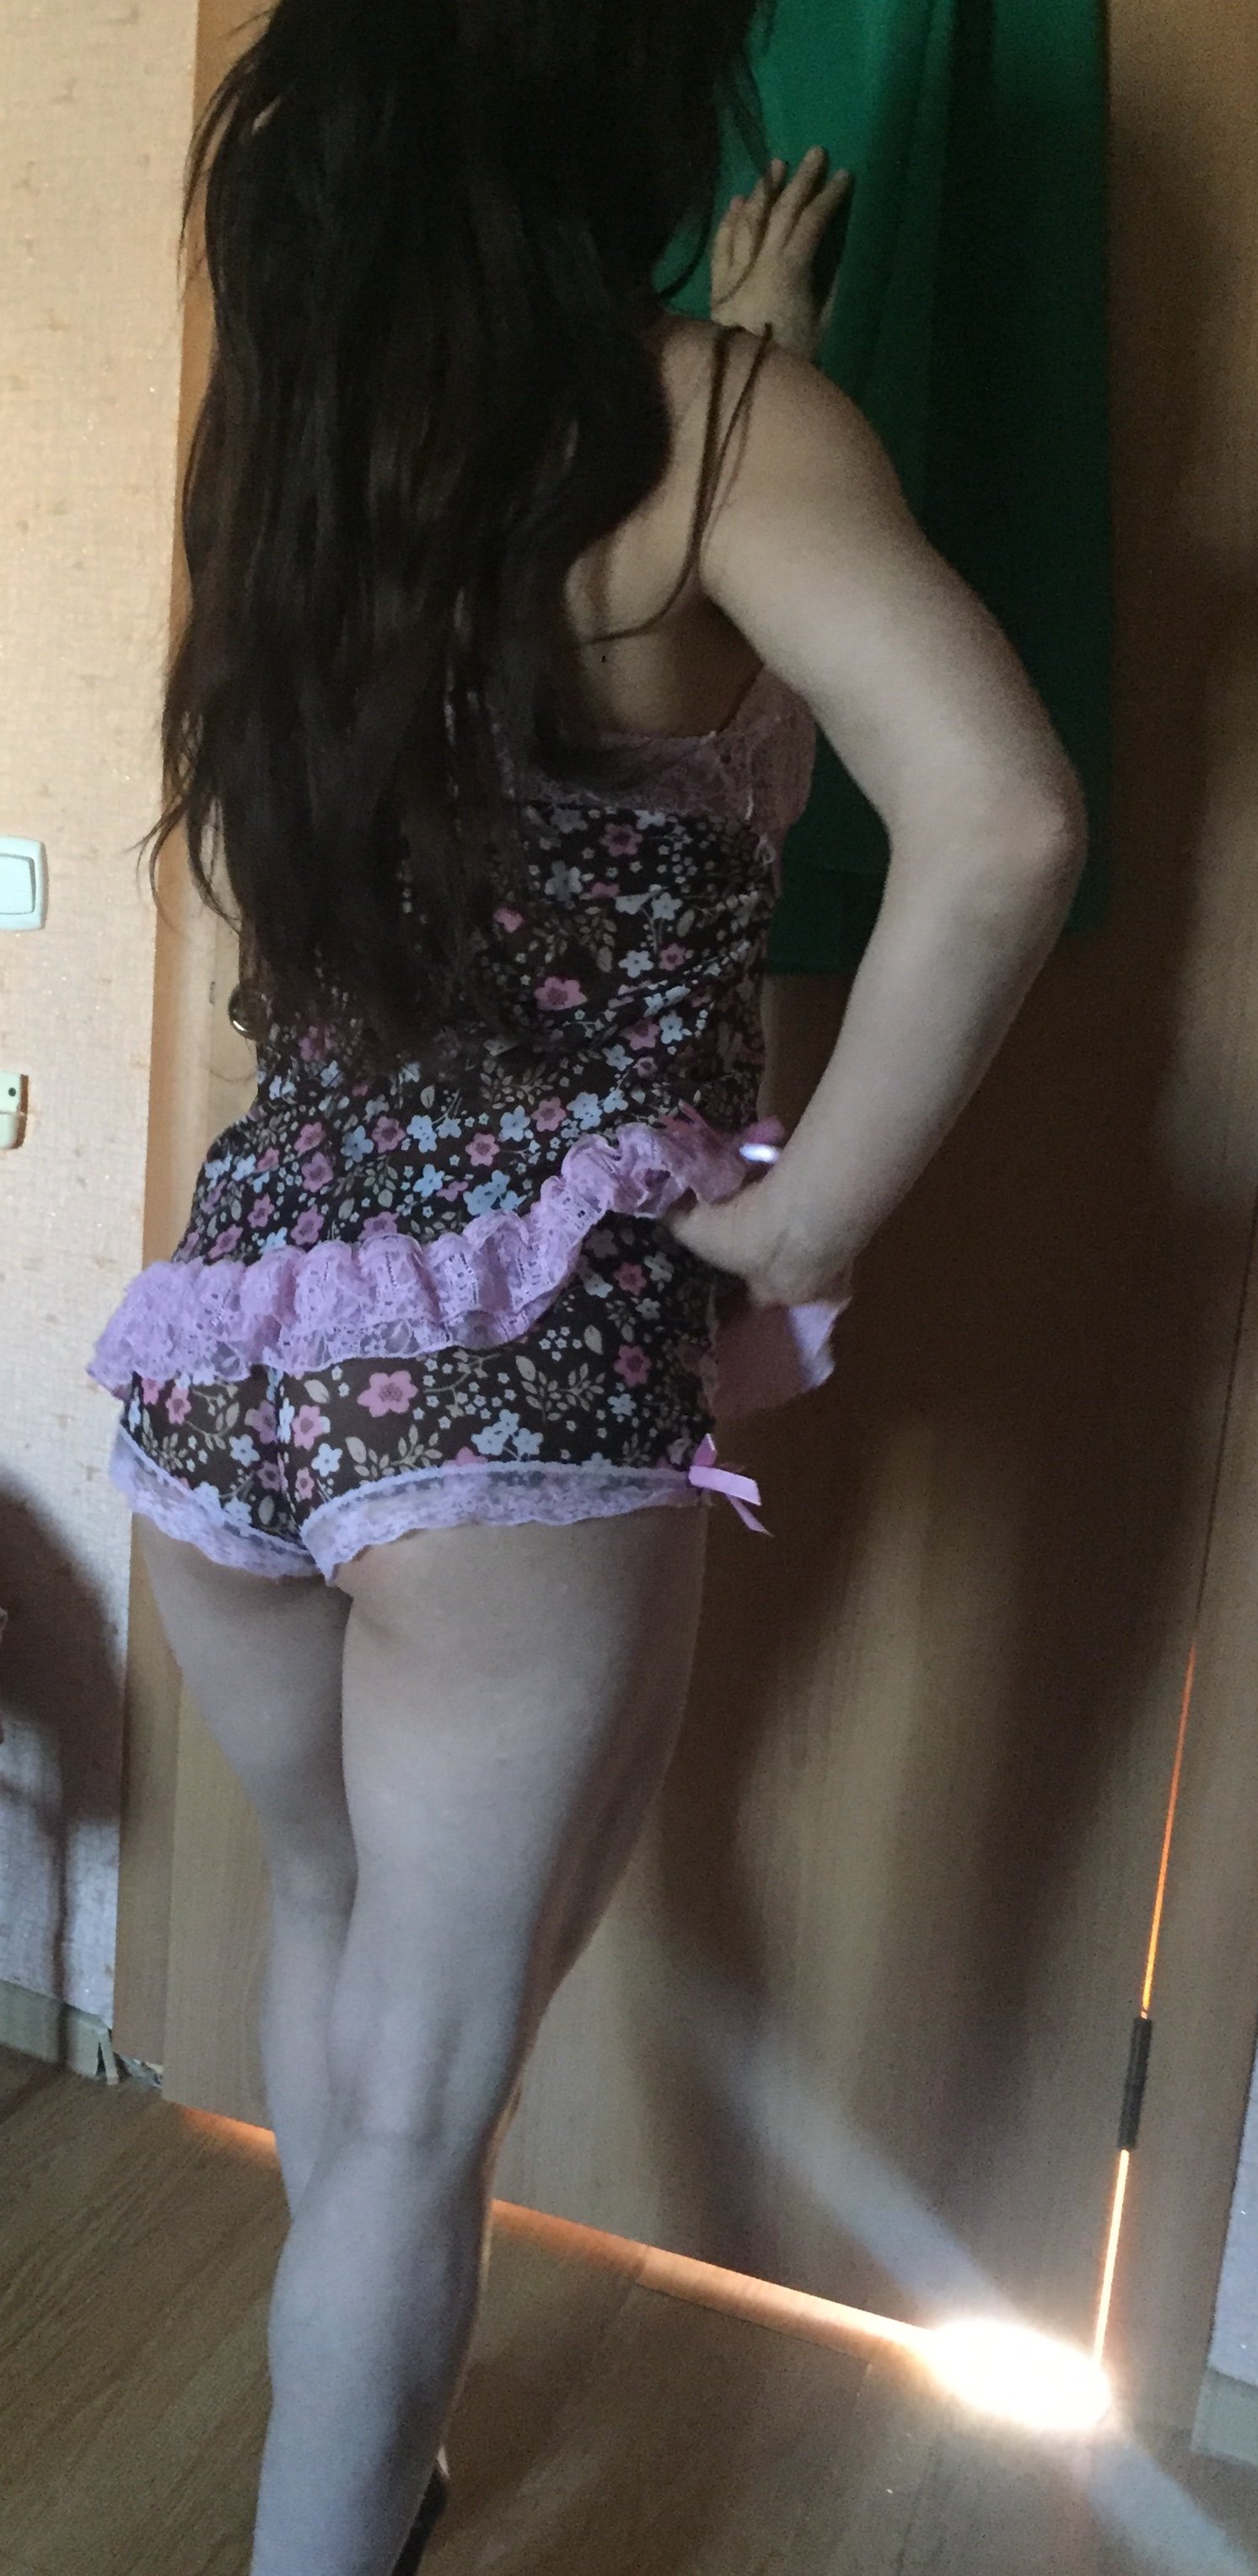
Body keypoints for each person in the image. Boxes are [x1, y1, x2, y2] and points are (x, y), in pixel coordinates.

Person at [86, 10, 1085, 2572]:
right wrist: (808, 1222)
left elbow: (542, 746)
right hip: (516, 1382)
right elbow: (997, 825)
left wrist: (753, 385)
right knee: (428, 2093)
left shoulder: (307, 457)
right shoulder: (716, 431)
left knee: (347, 1970)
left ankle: (363, 2459)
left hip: (229, 1343)